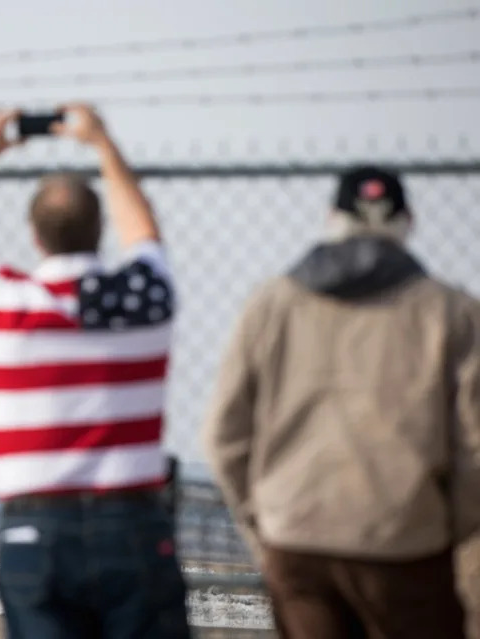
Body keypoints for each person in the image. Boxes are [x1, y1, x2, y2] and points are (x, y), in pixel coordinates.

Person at [0, 104, 191, 638]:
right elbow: (145, 234)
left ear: (34, 235)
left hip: (37, 527)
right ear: (101, 230)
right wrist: (104, 145)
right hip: (134, 522)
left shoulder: (3, 308)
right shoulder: (145, 301)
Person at [203, 165, 480, 638]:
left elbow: (222, 436)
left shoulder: (271, 304)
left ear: (331, 218)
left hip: (294, 534)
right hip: (407, 540)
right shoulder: (451, 311)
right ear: (408, 222)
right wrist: (449, 530)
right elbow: (473, 444)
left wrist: (263, 525)